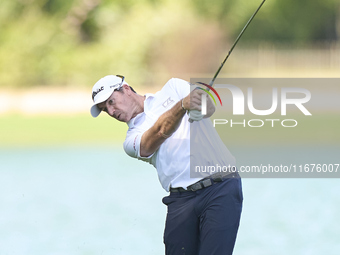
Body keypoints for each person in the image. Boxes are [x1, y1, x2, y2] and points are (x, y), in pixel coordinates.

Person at [90, 74, 243, 255]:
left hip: (220, 187)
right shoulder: (131, 139)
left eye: (111, 102)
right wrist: (182, 106)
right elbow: (159, 132)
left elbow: (209, 109)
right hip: (181, 201)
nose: (111, 111)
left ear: (126, 89)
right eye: (105, 109)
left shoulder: (174, 87)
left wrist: (200, 102)